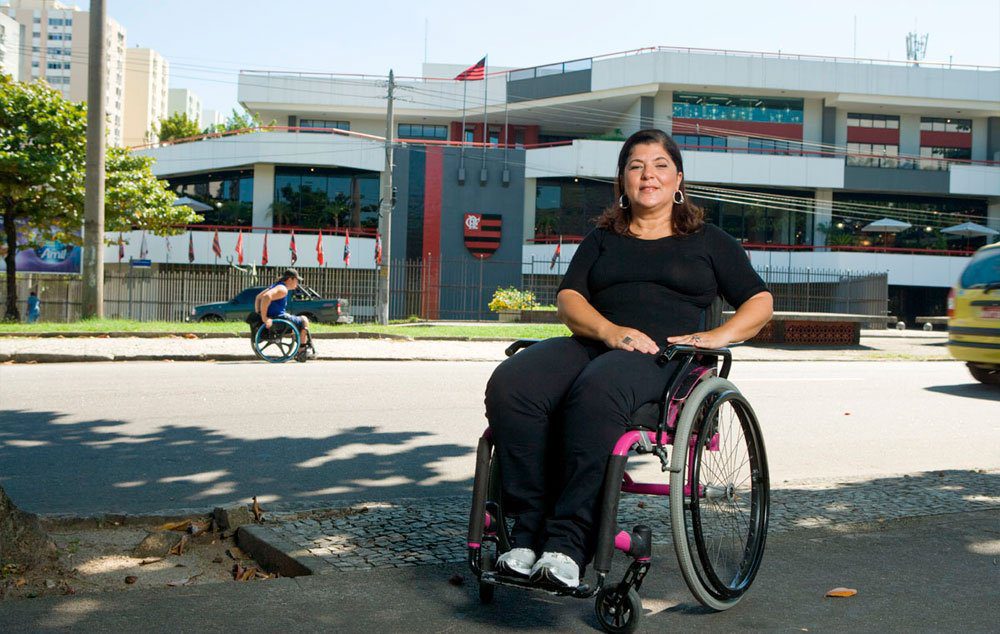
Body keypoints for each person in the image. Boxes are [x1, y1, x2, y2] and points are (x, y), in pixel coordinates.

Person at [485, 129, 774, 590]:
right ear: (622, 180)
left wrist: (709, 337)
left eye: (659, 165)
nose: (648, 175)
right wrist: (610, 331)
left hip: (666, 358)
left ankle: (567, 544)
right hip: (599, 341)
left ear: (678, 178)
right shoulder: (603, 238)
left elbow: (759, 302)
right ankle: (526, 532)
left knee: (599, 388)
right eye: (636, 166)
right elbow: (569, 300)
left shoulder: (709, 241)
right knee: (513, 383)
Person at [254, 268, 315, 359]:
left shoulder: (276, 286)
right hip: (278, 319)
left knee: (297, 319)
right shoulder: (282, 289)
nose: (297, 283)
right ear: (290, 279)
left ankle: (302, 345)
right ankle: (301, 350)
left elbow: (258, 297)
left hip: (276, 318)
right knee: (304, 319)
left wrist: (259, 313)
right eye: (296, 280)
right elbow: (266, 297)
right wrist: (264, 318)